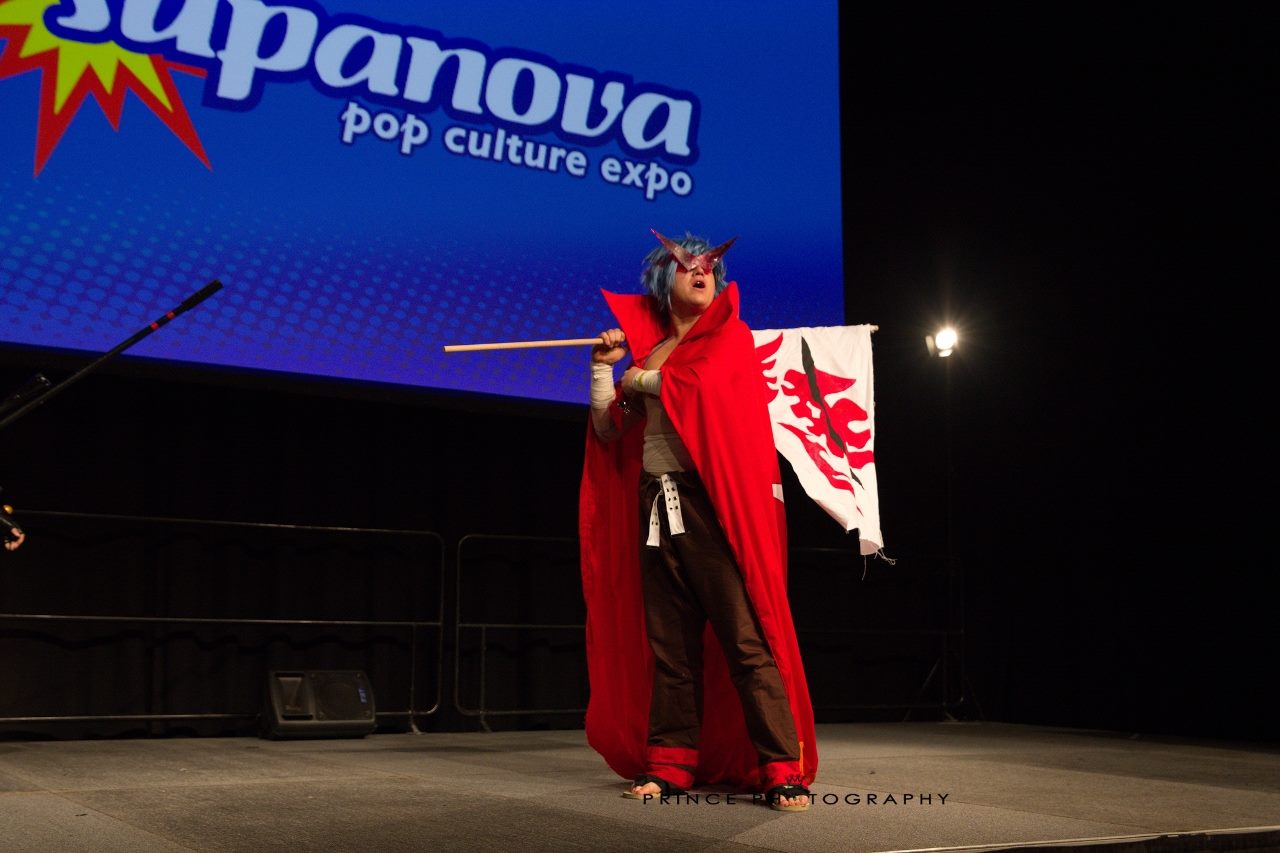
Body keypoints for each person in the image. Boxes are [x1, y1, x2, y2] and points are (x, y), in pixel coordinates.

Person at [579, 229, 817, 812]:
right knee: (671, 645)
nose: (701, 269)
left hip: (711, 506)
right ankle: (670, 764)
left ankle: (780, 768)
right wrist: (605, 371)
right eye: (687, 264)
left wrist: (640, 379)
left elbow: (700, 389)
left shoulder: (730, 339)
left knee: (744, 637)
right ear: (665, 280)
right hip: (656, 502)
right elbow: (611, 430)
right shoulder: (653, 354)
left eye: (709, 264)